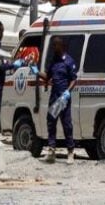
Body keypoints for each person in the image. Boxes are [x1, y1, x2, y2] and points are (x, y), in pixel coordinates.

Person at [39, 37, 77, 165]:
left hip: (63, 98)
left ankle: (71, 152)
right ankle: (51, 151)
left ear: (61, 46)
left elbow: (73, 79)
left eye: (55, 46)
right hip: (54, 97)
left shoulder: (68, 61)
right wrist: (36, 72)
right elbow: (47, 76)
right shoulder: (53, 62)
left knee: (66, 125)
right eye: (53, 46)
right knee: (51, 123)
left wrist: (68, 91)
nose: (53, 48)